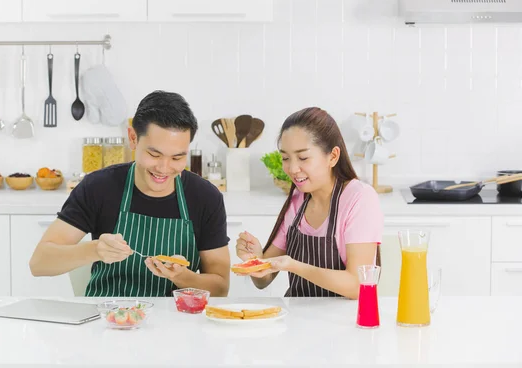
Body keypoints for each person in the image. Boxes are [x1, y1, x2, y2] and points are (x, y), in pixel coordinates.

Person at [30, 91, 230, 297]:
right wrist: (95, 250)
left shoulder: (205, 197)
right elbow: (39, 263)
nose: (164, 168)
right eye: (154, 154)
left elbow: (221, 288)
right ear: (133, 139)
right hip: (106, 320)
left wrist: (181, 276)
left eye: (177, 158)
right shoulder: (99, 187)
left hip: (178, 322)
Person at [235, 107, 383, 299]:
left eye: (303, 157)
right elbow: (264, 280)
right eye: (286, 158)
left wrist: (293, 265)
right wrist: (256, 259)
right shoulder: (298, 201)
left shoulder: (359, 198)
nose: (293, 168)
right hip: (297, 322)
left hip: (343, 323)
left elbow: (358, 286)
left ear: (333, 156)